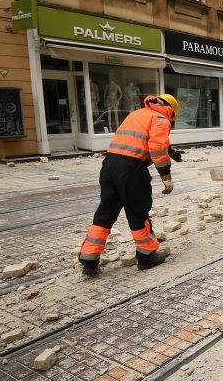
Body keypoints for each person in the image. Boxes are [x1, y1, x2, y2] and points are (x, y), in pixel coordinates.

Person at [78, 94, 183, 277]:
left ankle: (89, 260)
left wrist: (172, 152)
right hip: (131, 169)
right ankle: (147, 256)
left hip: (110, 165)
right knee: (137, 212)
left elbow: (141, 139)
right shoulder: (161, 118)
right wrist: (166, 176)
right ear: (171, 111)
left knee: (106, 212)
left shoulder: (137, 113)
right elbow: (157, 147)